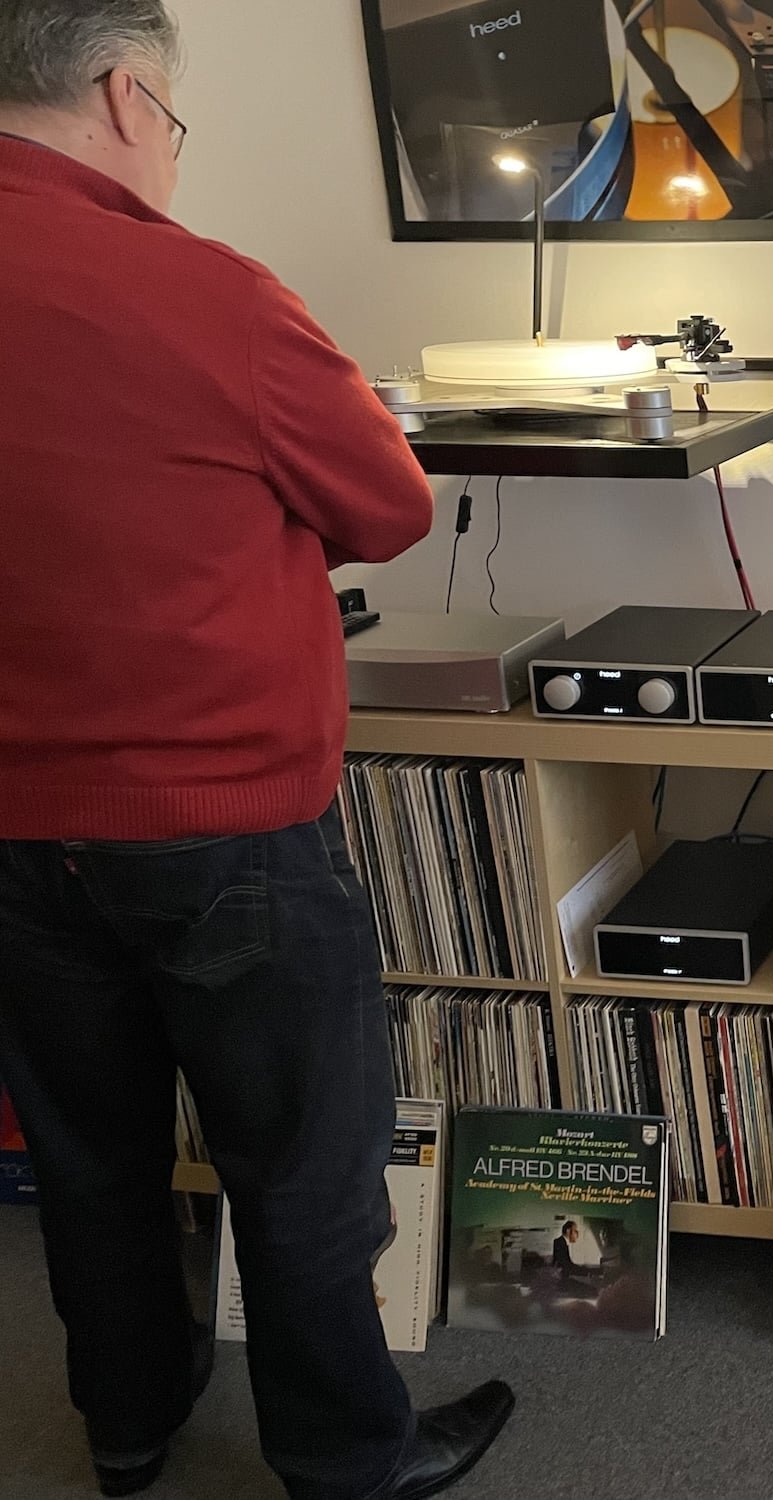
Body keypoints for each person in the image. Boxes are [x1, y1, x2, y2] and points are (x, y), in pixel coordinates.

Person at [0, 4, 515, 1497]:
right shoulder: (208, 292)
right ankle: (346, 1460)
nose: (170, 152)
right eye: (173, 121)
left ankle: (126, 1425)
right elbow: (391, 508)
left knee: (88, 1159)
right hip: (223, 828)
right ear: (124, 92)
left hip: (13, 836)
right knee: (298, 1168)